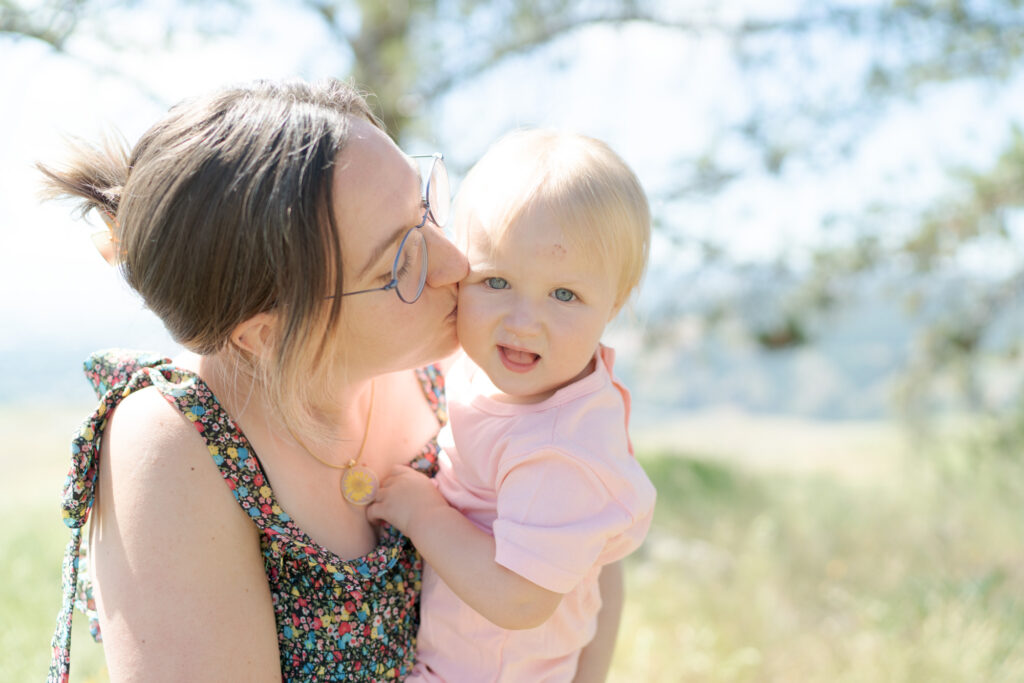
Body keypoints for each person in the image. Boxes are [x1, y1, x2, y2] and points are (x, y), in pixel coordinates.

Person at [41, 79, 622, 683]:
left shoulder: (464, 371)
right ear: (264, 334)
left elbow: (586, 559)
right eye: (400, 263)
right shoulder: (174, 447)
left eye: (426, 206)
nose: (457, 261)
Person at [367, 129, 657, 682]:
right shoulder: (502, 373)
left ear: (614, 303)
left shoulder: (560, 449)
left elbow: (522, 601)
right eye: (495, 281)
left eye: (565, 294)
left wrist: (423, 514)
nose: (523, 322)